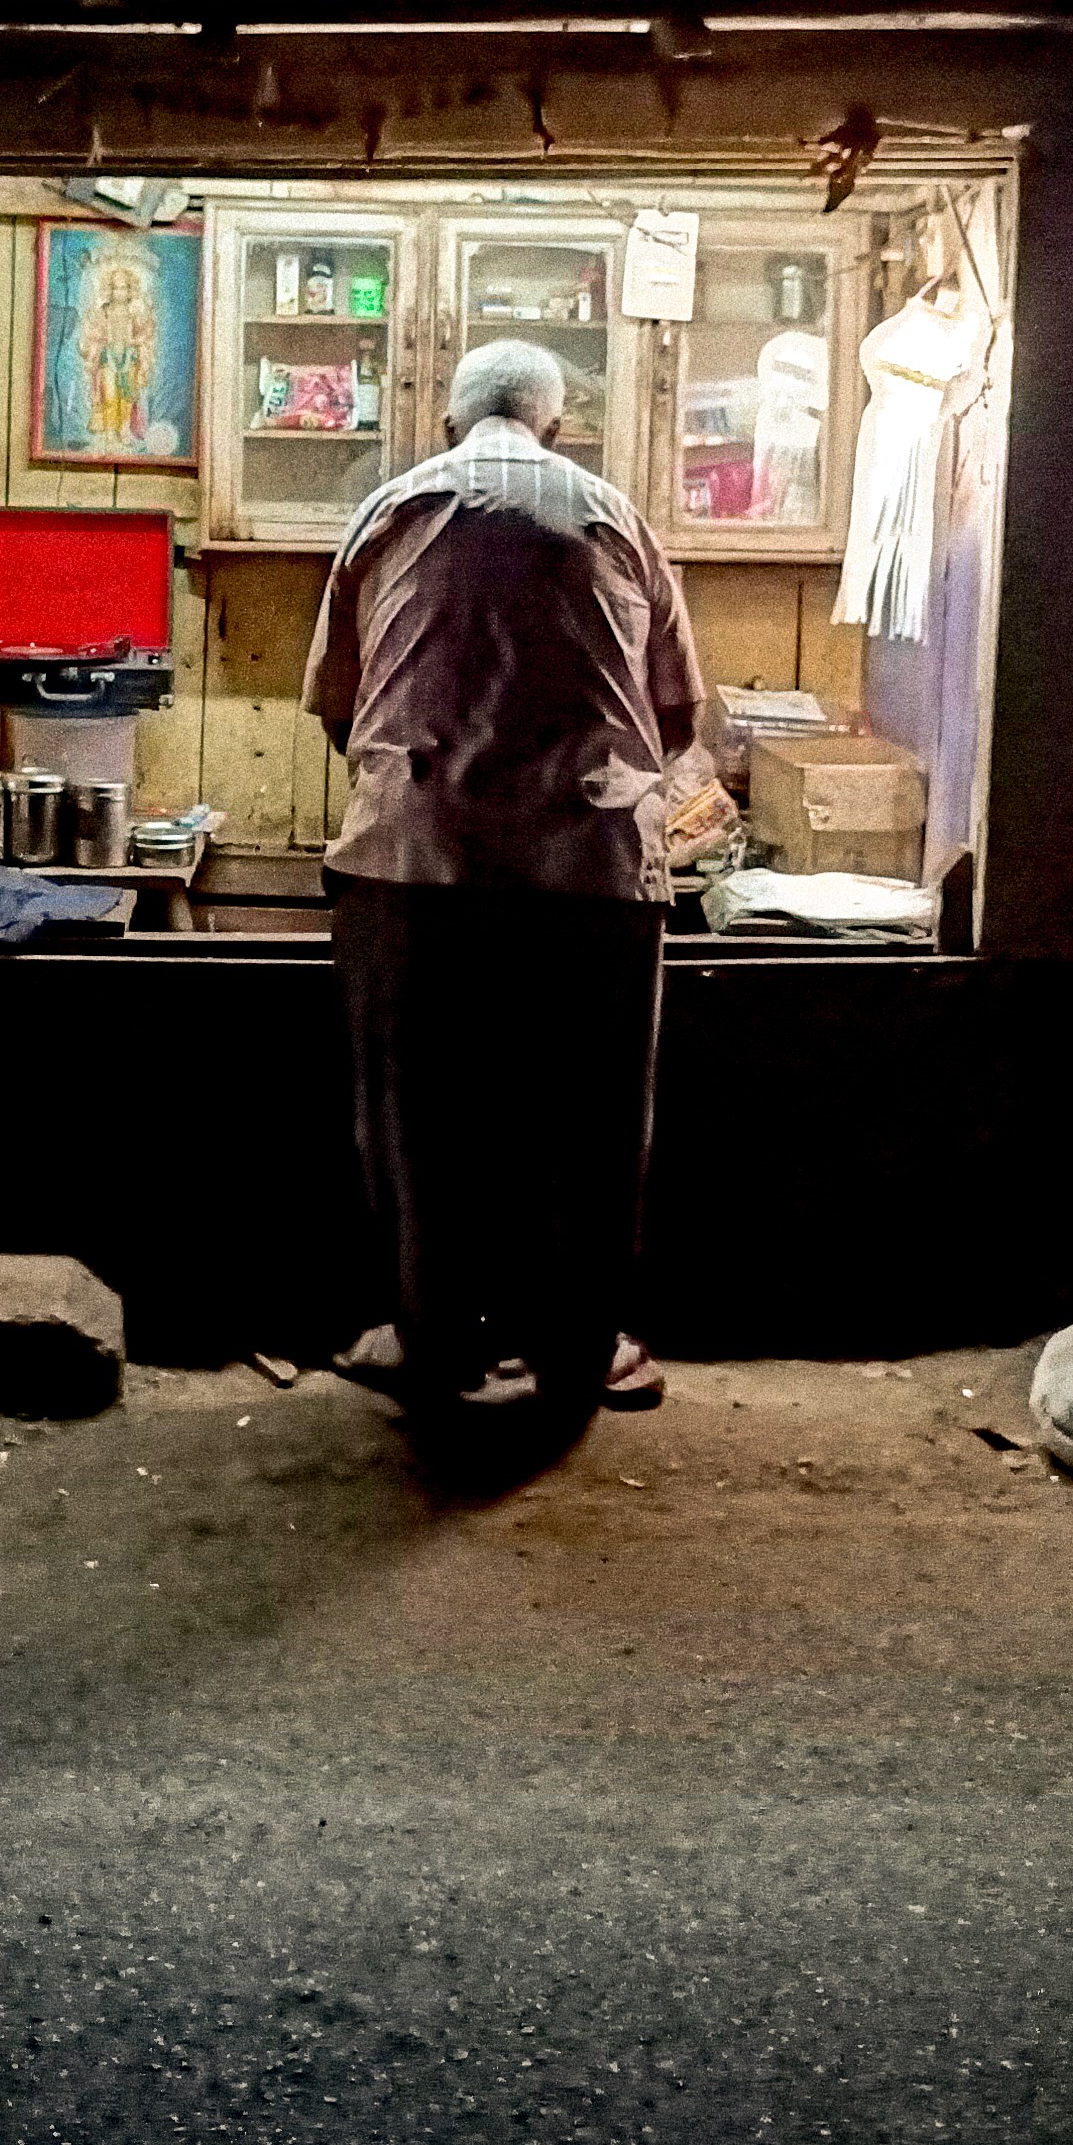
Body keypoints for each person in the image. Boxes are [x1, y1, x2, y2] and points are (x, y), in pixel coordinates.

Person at [301, 337, 705, 1417]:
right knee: (588, 1117)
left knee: (417, 1115)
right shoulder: (612, 514)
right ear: (555, 425)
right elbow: (674, 714)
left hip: (414, 859)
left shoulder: (387, 511)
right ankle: (577, 1348)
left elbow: (339, 706)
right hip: (589, 870)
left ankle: (430, 1337)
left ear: (448, 421)